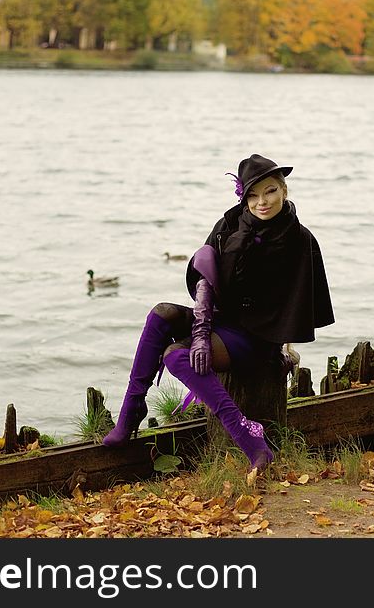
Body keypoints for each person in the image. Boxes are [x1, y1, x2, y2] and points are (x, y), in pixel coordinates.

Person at [102, 153, 335, 472]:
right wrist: (199, 332)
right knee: (161, 314)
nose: (261, 202)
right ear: (243, 197)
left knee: (175, 356)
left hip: (257, 337)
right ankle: (132, 411)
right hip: (221, 321)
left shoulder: (298, 239)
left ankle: (248, 434)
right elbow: (205, 278)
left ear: (283, 190)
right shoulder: (230, 224)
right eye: (252, 195)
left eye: (269, 191)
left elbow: (292, 307)